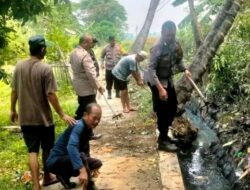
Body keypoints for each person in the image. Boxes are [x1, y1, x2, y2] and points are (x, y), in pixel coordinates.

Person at [10, 35, 76, 190]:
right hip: (43, 119)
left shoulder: (18, 67)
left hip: (26, 118)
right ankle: (47, 177)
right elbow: (51, 94)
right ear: (42, 49)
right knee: (47, 148)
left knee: (32, 150)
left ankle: (35, 185)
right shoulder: (45, 69)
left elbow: (14, 91)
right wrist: (62, 114)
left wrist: (12, 109)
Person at [145, 20, 192, 152]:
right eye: (168, 35)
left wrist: (185, 69)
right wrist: (160, 89)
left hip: (168, 79)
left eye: (172, 35)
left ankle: (165, 136)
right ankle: (162, 141)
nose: (170, 38)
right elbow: (151, 71)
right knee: (162, 110)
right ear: (162, 33)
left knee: (172, 107)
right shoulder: (157, 48)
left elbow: (179, 59)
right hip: (155, 81)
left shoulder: (176, 43)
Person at [46, 103, 103, 189]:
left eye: (99, 119)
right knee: (81, 158)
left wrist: (87, 166)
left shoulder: (87, 128)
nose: (96, 122)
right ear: (85, 115)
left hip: (67, 159)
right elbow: (71, 147)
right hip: (55, 162)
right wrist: (82, 170)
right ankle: (89, 187)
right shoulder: (79, 126)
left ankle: (63, 176)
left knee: (96, 163)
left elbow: (84, 152)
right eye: (94, 118)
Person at [70, 34, 105, 140]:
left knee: (82, 107)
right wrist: (98, 86)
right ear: (85, 42)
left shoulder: (74, 52)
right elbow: (90, 73)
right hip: (86, 87)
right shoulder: (85, 54)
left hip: (78, 85)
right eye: (90, 42)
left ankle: (74, 128)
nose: (92, 44)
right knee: (91, 110)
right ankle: (87, 133)